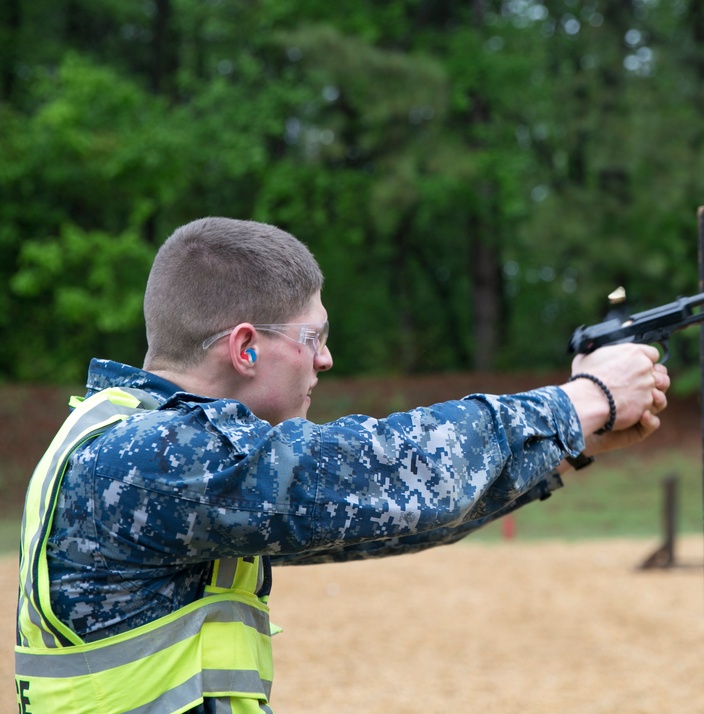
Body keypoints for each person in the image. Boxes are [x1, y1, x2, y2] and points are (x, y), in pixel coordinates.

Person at [15, 217, 670, 713]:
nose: (325, 360)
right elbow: (381, 471)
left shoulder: (144, 444)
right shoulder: (150, 457)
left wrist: (568, 443)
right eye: (313, 338)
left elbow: (383, 518)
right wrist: (582, 401)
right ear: (245, 348)